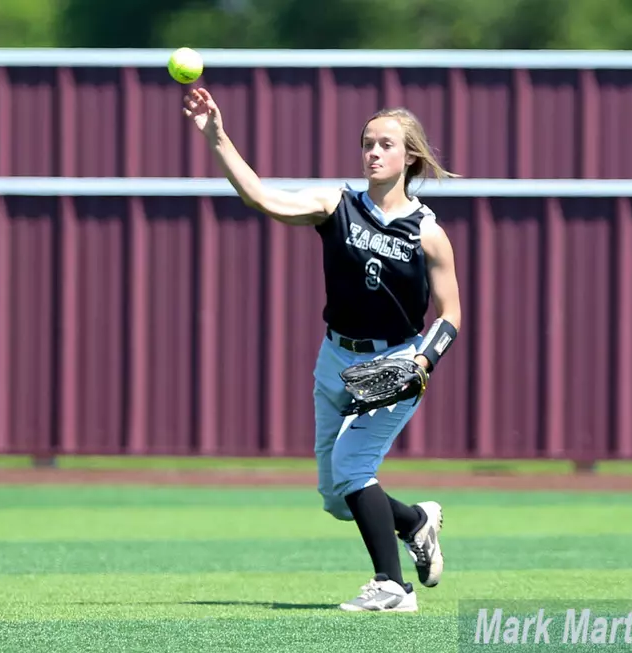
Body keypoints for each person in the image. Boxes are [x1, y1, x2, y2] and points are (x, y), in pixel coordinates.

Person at [183, 87, 462, 613]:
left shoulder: (427, 233)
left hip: (393, 362)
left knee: (354, 469)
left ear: (411, 157)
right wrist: (217, 137)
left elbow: (451, 313)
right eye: (367, 143)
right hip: (336, 358)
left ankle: (392, 588)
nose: (374, 152)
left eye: (385, 144)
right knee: (338, 498)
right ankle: (415, 522)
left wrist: (423, 361)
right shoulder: (338, 204)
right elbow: (263, 198)